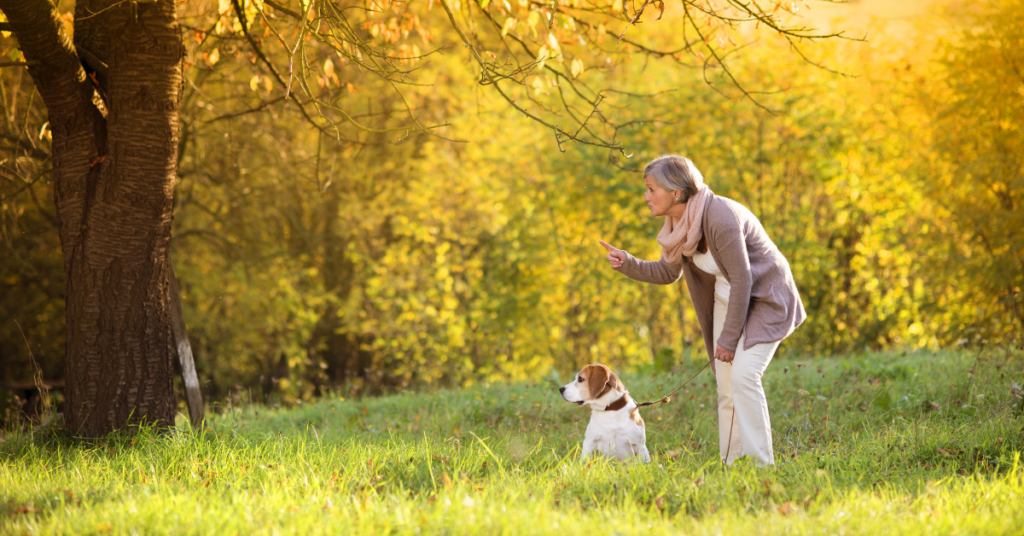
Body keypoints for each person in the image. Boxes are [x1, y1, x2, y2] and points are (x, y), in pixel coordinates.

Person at [600, 154, 805, 466]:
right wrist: (628, 263)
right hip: (731, 297)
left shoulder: (719, 217)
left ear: (676, 193)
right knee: (725, 383)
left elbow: (743, 278)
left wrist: (728, 338)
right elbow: (668, 273)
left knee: (744, 375)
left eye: (651, 189)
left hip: (765, 298)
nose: (646, 196)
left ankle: (762, 465)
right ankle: (732, 462)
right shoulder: (679, 225)